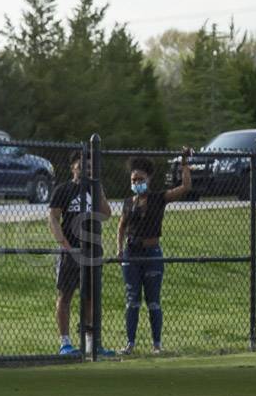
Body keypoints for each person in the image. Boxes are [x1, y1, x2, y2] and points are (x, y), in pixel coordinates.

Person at [115, 149, 193, 355]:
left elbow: (185, 187)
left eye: (140, 178)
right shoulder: (128, 203)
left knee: (153, 301)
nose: (136, 182)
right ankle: (130, 344)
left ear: (148, 179)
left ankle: (156, 344)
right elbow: (121, 226)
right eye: (133, 179)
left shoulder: (159, 198)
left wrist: (185, 164)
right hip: (132, 254)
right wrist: (119, 249)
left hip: (152, 254)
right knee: (132, 300)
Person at [47, 150, 113, 356]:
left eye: (91, 165)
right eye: (82, 164)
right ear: (73, 167)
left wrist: (98, 189)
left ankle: (91, 343)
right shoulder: (63, 190)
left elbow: (106, 214)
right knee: (65, 296)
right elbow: (53, 218)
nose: (86, 168)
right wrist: (64, 245)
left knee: (91, 297)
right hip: (71, 251)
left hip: (92, 251)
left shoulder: (94, 189)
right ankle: (65, 343)